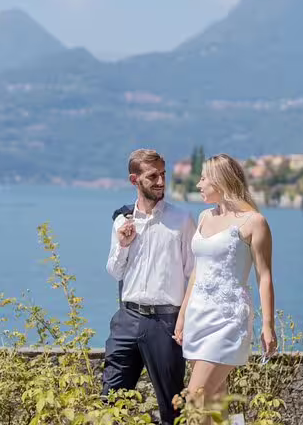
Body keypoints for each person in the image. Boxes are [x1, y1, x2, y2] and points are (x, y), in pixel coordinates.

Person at [173, 153, 277, 421]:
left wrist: (268, 325)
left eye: (203, 177)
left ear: (220, 181)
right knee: (216, 404)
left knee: (195, 398)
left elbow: (264, 276)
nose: (198, 184)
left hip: (228, 321)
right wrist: (183, 315)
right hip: (199, 317)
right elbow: (198, 271)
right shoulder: (205, 216)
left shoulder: (255, 222)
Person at [102, 149, 196, 425]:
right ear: (135, 179)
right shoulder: (122, 221)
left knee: (173, 407)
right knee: (110, 404)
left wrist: (183, 320)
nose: (160, 181)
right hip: (126, 319)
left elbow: (194, 275)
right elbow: (114, 271)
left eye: (163, 175)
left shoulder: (182, 220)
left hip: (165, 321)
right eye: (152, 176)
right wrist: (122, 244)